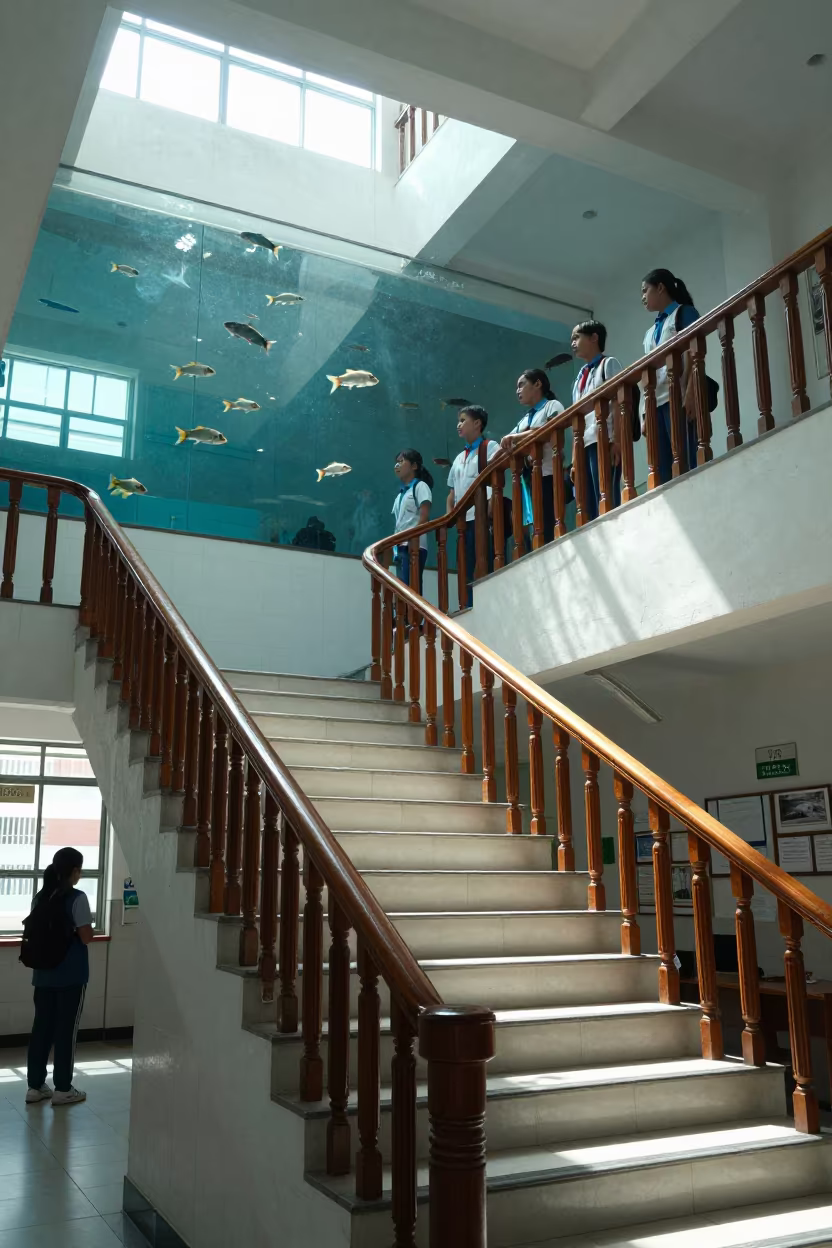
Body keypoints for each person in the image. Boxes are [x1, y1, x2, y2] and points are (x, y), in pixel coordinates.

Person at [25, 847, 93, 1106]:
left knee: (41, 1028)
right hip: (71, 976)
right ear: (74, 871)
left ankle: (35, 1087)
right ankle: (63, 1088)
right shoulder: (77, 897)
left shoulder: (40, 897)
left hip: (42, 975)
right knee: (66, 1031)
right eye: (80, 870)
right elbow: (86, 937)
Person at [641, 268, 700, 484]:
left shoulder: (684, 313)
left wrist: (692, 390)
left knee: (685, 457)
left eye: (645, 291)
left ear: (661, 288)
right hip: (656, 401)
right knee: (663, 468)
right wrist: (645, 413)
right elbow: (645, 374)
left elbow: (696, 353)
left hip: (679, 395)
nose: (642, 298)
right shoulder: (649, 333)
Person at [500, 369, 564, 544]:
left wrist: (515, 438)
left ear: (537, 384)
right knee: (536, 527)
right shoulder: (525, 419)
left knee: (549, 524)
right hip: (530, 479)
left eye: (521, 385)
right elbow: (506, 443)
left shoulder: (552, 405)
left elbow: (548, 429)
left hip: (550, 474)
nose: (517, 390)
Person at [446, 405, 499, 608]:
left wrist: (491, 510)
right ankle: (468, 605)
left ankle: (487, 603)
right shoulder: (459, 458)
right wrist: (449, 516)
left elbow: (496, 482)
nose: (459, 425)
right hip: (462, 522)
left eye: (463, 420)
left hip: (482, 516)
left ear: (477, 423)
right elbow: (451, 494)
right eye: (458, 421)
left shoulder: (490, 447)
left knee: (484, 560)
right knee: (465, 564)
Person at [570, 321, 622, 520]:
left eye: (577, 337)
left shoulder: (608, 364)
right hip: (584, 443)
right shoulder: (579, 377)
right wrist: (575, 458)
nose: (573, 343)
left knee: (607, 495)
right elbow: (577, 418)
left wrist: (617, 440)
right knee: (588, 503)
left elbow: (619, 403)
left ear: (594, 338)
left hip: (604, 439)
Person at [392, 449, 433, 595]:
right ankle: (404, 618)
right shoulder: (400, 494)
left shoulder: (420, 486)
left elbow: (424, 517)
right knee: (402, 588)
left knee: (411, 587)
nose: (397, 465)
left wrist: (413, 539)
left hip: (414, 546)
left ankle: (413, 618)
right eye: (396, 462)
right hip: (400, 547)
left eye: (401, 461)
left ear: (414, 466)